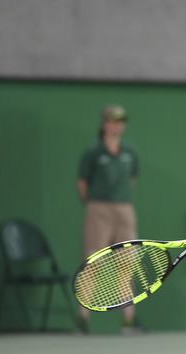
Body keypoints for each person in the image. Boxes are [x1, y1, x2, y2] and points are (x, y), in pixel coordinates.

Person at [76, 104, 142, 335]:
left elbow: (131, 180)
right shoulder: (93, 152)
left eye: (121, 121)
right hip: (98, 209)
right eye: (113, 120)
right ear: (104, 123)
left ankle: (128, 321)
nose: (117, 125)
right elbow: (82, 184)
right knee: (92, 262)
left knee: (127, 263)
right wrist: (96, 205)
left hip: (124, 210)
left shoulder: (129, 152)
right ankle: (83, 319)